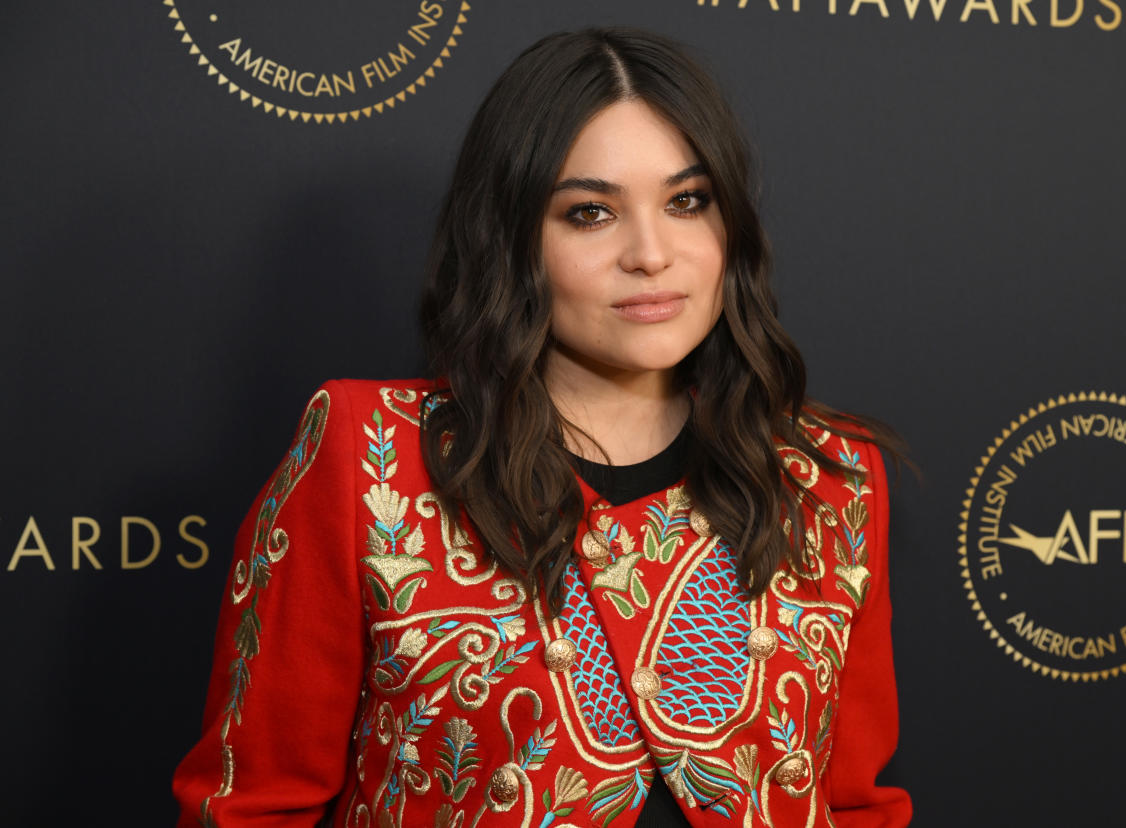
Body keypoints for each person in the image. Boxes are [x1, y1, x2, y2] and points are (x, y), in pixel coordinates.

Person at [174, 26, 913, 828]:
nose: (652, 253)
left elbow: (855, 806)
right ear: (513, 238)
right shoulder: (372, 456)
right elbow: (250, 807)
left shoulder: (827, 476)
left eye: (687, 202)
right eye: (590, 213)